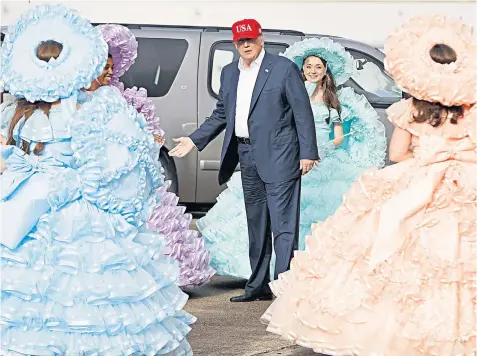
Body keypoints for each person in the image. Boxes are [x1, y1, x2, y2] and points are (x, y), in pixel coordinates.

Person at [260, 14, 476, 355]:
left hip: (417, 180)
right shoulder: (470, 109)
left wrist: (428, 161)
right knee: (456, 265)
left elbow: (398, 152)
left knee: (389, 256)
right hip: (465, 184)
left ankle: (391, 336)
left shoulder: (411, 109)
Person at [0, 5, 195, 354]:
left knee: (45, 295)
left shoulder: (29, 110)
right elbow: (117, 161)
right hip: (64, 211)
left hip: (42, 209)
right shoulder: (83, 108)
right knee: (76, 293)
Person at [196, 37, 387, 280]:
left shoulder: (334, 100)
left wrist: (327, 146)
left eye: (318, 67)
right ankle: (261, 274)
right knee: (264, 216)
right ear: (302, 68)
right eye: (308, 67)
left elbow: (337, 135)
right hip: (284, 156)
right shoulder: (287, 87)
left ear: (326, 70)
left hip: (320, 160)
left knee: (308, 216)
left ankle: (300, 271)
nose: (313, 71)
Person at [169, 19, 319, 302]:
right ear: (235, 43)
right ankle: (258, 286)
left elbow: (302, 111)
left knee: (283, 226)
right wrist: (194, 140)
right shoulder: (228, 73)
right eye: (241, 41)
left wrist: (308, 152)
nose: (246, 45)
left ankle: (283, 288)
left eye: (250, 39)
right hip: (247, 156)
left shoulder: (283, 68)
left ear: (260, 39)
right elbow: (221, 114)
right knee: (256, 224)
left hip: (281, 155)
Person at [79, 23, 215, 288]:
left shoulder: (127, 98)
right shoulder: (75, 100)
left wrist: (142, 143)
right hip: (94, 177)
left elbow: (154, 135)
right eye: (103, 67)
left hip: (131, 176)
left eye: (111, 67)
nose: (108, 72)